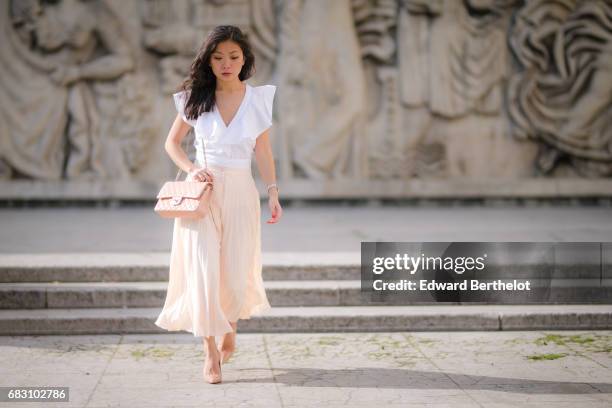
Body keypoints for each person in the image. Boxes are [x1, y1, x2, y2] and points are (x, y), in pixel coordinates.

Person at [154, 25, 282, 384]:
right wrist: (192, 169)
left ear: (245, 60)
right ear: (208, 61)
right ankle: (209, 351)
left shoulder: (258, 100)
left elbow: (264, 150)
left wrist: (272, 191)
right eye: (218, 57)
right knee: (203, 268)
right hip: (202, 193)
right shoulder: (195, 97)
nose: (226, 63)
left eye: (234, 56)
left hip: (242, 191)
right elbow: (172, 144)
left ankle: (231, 324)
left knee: (235, 272)